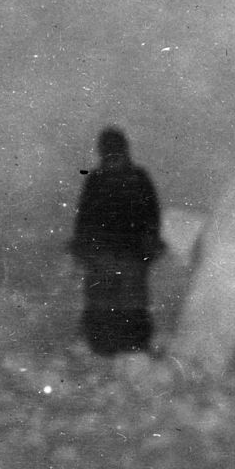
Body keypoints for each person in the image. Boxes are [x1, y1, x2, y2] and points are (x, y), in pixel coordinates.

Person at [70, 127, 166, 355]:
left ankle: (123, 347)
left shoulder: (106, 180)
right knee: (109, 303)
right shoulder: (123, 179)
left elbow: (151, 215)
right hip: (113, 254)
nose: (112, 156)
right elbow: (84, 218)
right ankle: (111, 346)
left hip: (122, 254)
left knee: (122, 303)